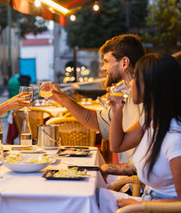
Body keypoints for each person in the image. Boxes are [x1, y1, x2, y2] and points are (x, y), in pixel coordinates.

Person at [98, 53, 181, 213]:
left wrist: (140, 205)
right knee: (94, 198)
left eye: (136, 77)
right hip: (150, 206)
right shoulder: (150, 121)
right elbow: (117, 145)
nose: (130, 83)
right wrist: (117, 111)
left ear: (153, 86)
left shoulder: (177, 138)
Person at [41, 34, 145, 165]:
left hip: (136, 180)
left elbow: (119, 147)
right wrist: (63, 99)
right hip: (129, 176)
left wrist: (107, 170)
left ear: (124, 62)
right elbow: (96, 120)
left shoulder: (145, 98)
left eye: (106, 61)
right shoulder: (123, 94)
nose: (102, 68)